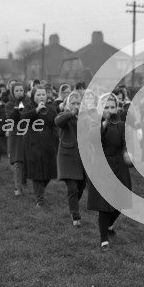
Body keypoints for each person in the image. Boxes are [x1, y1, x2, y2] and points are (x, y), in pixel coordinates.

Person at [86, 93, 132, 250]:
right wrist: (104, 124)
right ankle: (103, 238)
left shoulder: (122, 125)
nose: (110, 110)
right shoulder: (96, 123)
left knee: (121, 203)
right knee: (105, 205)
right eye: (106, 107)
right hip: (102, 167)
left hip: (119, 166)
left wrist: (127, 152)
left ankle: (110, 225)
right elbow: (92, 139)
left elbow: (126, 143)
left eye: (113, 107)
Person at [21, 85, 58, 207]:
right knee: (37, 173)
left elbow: (55, 125)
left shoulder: (51, 109)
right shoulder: (29, 107)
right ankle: (40, 200)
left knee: (47, 173)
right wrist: (36, 110)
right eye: (38, 95)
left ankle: (40, 191)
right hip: (33, 144)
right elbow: (23, 118)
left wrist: (55, 142)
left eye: (43, 94)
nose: (41, 97)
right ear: (33, 96)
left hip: (48, 144)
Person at [54, 92, 87, 226]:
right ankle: (75, 215)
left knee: (81, 186)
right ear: (68, 104)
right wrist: (71, 113)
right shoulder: (64, 115)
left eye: (78, 103)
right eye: (73, 103)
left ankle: (73, 206)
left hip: (81, 158)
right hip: (67, 157)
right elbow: (58, 122)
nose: (76, 106)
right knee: (72, 187)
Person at [6, 83, 29, 196]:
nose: (20, 92)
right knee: (18, 161)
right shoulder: (9, 104)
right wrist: (16, 106)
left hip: (28, 134)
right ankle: (17, 188)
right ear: (13, 92)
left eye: (21, 90)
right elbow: (10, 119)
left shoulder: (28, 103)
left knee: (27, 160)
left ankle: (24, 181)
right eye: (17, 91)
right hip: (16, 135)